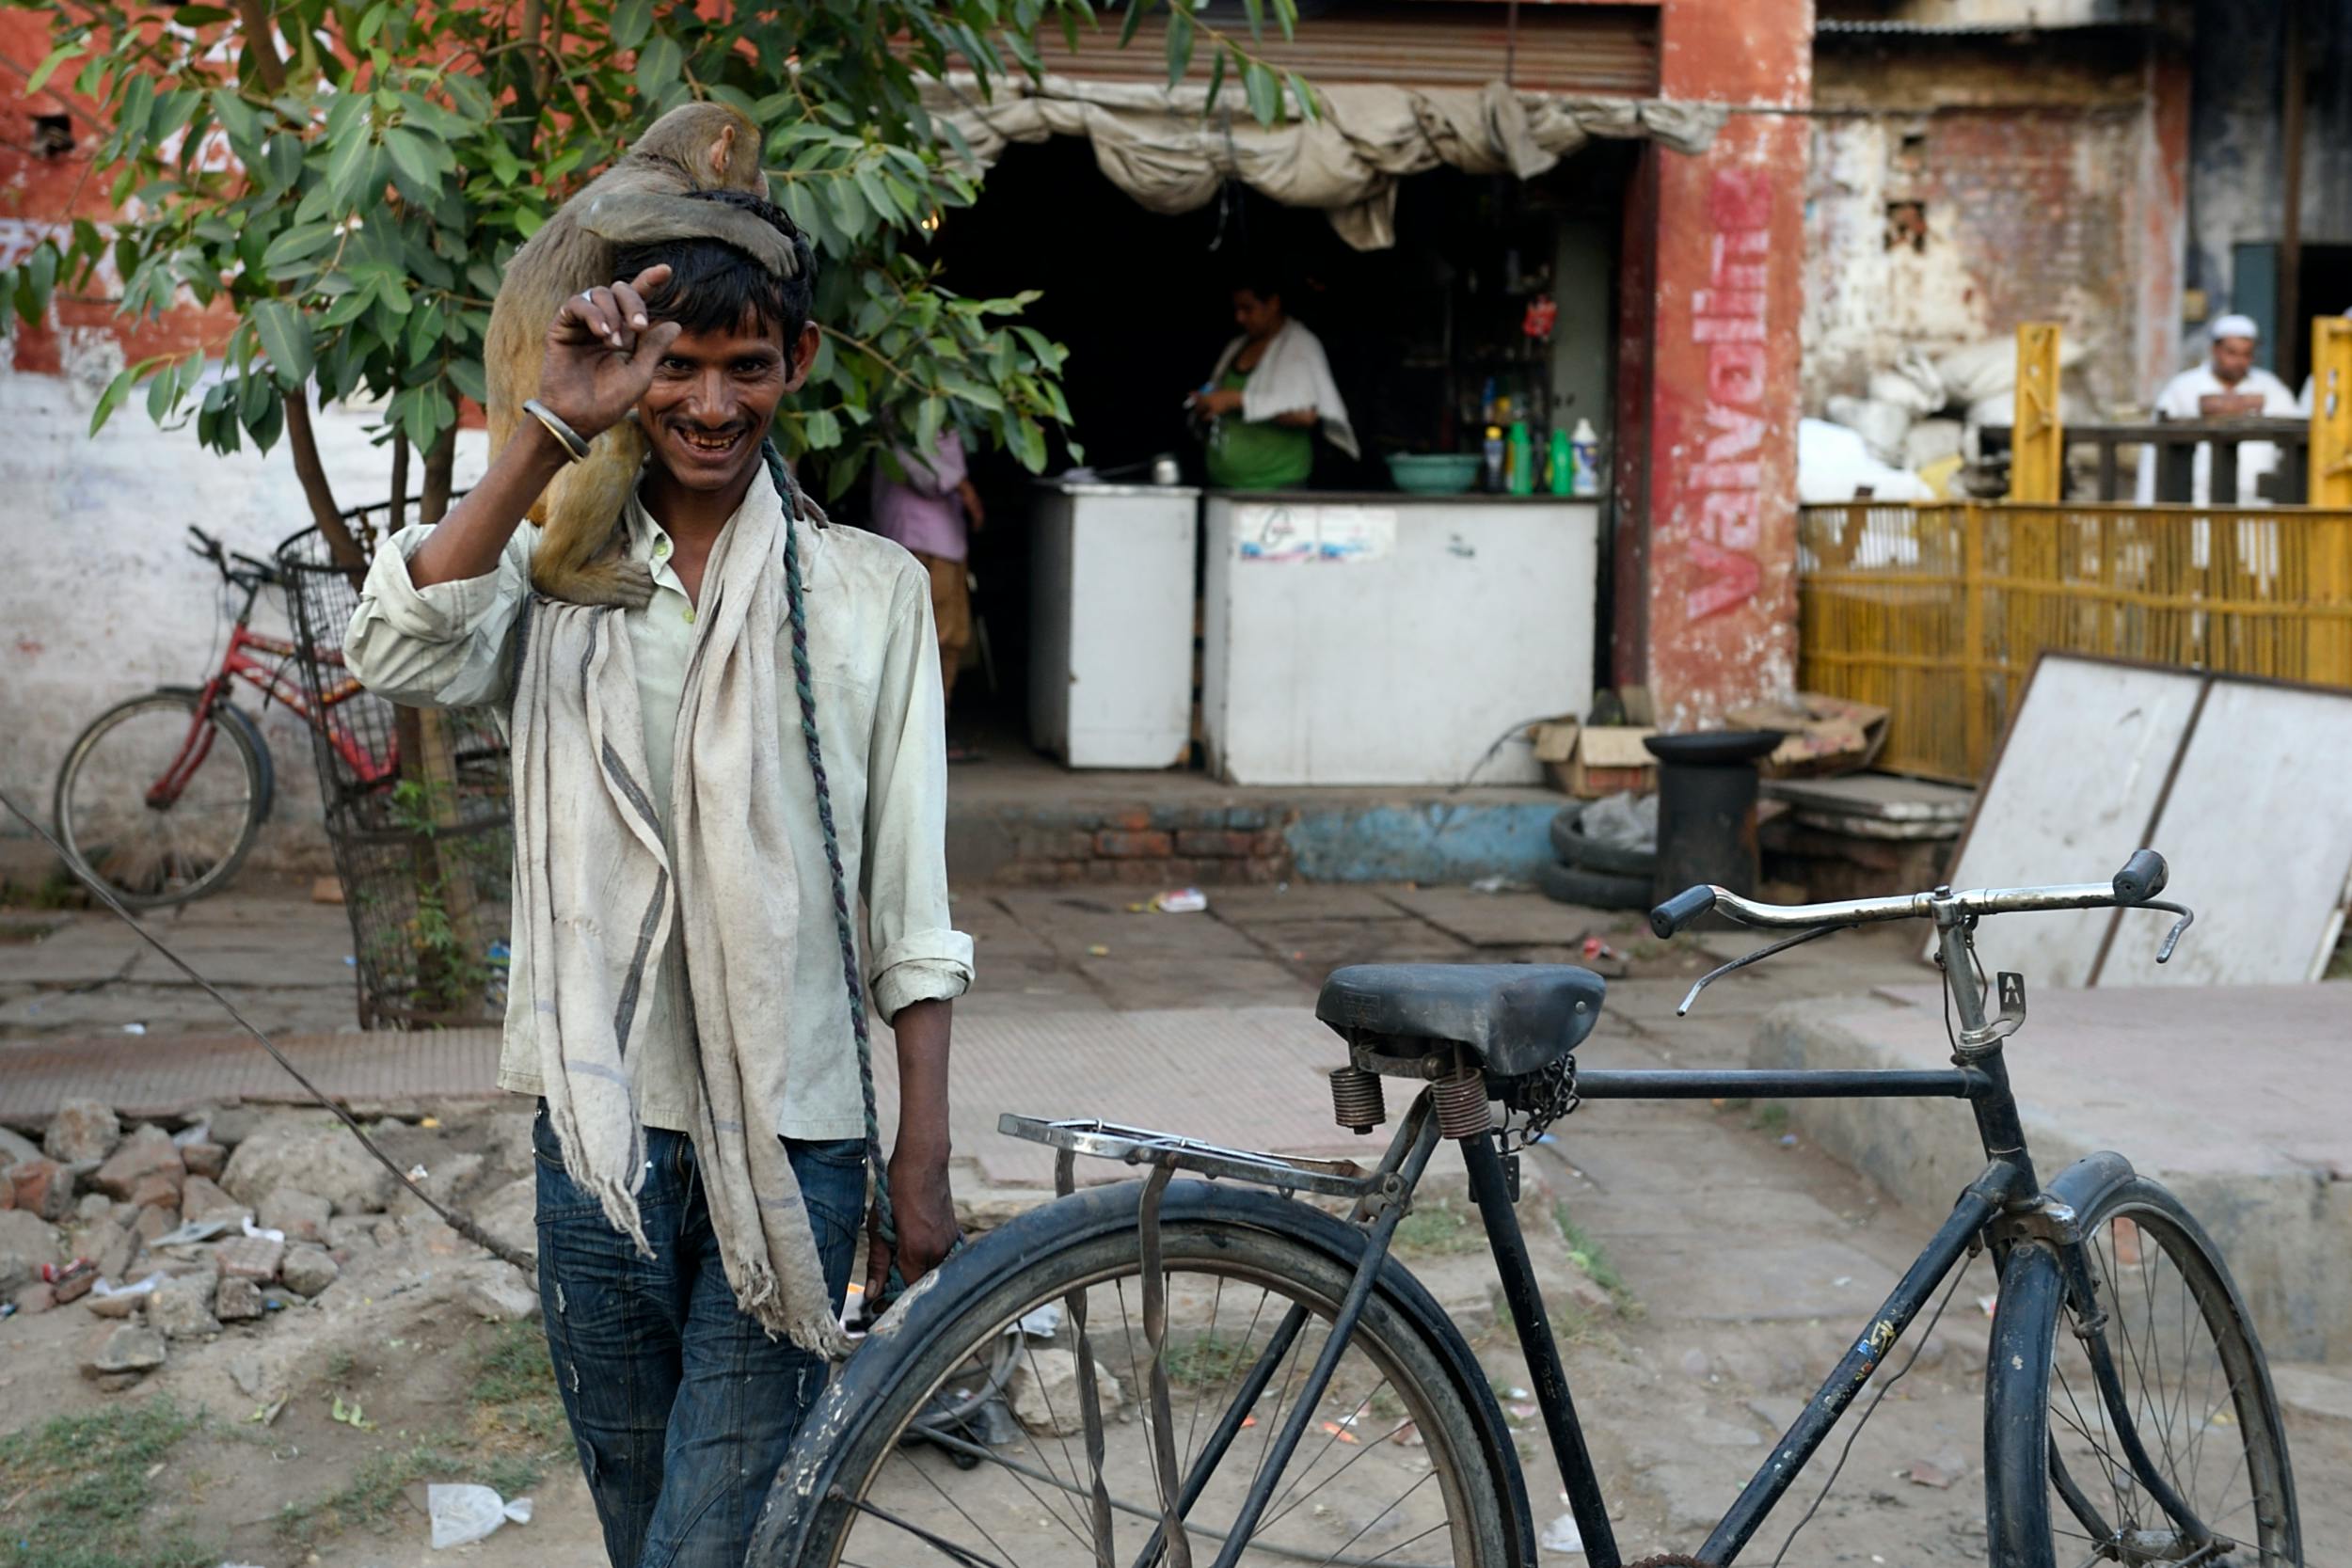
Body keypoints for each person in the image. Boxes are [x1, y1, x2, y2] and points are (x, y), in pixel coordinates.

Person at [344, 191, 972, 1568]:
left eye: (745, 367)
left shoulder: (865, 594)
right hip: (603, 1149)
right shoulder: (557, 575)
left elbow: (908, 907)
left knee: (714, 1545)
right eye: (675, 365)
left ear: (796, 365)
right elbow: (393, 649)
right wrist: (549, 422)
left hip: (798, 1142)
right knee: (653, 1538)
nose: (708, 403)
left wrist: (919, 1155)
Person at [869, 427, 984, 752]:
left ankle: (934, 732)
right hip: (920, 539)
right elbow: (918, 467)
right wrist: (962, 486)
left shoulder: (944, 403)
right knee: (923, 642)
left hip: (943, 540)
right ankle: (914, 741)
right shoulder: (910, 397)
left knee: (951, 639)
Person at [1188, 271, 1358, 490]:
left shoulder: (1300, 346)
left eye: (1248, 309)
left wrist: (1236, 400)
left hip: (1277, 486)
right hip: (1225, 485)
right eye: (1237, 309)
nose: (1239, 318)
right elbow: (1218, 397)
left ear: (1273, 303)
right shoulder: (1236, 346)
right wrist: (1208, 404)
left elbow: (1305, 415)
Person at [2136, 313, 2298, 504]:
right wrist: (2147, 503)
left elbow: (2292, 444)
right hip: (2198, 500)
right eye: (2232, 353)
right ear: (2215, 350)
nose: (2239, 361)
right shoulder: (2183, 388)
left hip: (2256, 503)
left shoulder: (2271, 388)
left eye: (2246, 354)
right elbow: (2155, 453)